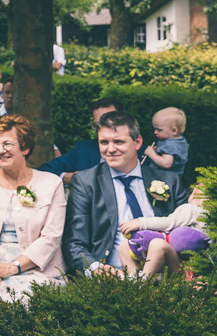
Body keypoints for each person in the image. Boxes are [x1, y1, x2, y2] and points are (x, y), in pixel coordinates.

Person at [63, 111, 188, 276]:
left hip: (166, 275)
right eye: (104, 142)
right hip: (112, 276)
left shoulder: (169, 180)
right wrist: (96, 269)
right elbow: (74, 243)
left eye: (118, 142)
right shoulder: (86, 182)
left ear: (138, 142)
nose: (110, 149)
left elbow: (188, 231)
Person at [0, 115, 67, 305]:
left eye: (7, 144)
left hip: (38, 270)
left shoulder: (51, 184)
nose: (0, 150)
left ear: (25, 148)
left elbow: (51, 237)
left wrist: (10, 268)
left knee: (27, 305)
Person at [118, 185, 208, 277]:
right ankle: (134, 279)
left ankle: (143, 280)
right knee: (125, 245)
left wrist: (140, 222)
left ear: (195, 192)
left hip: (182, 266)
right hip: (185, 264)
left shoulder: (192, 209)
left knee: (157, 244)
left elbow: (169, 222)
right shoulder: (211, 217)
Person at [39, 97, 125, 184]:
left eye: (108, 122)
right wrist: (68, 177)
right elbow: (44, 170)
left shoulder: (133, 149)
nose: (103, 128)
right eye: (97, 124)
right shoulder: (84, 149)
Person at [143, 107, 189, 177]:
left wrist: (151, 154)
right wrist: (158, 151)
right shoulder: (179, 141)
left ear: (174, 131)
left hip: (163, 178)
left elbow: (166, 164)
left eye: (159, 130)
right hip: (173, 178)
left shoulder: (170, 145)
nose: (155, 132)